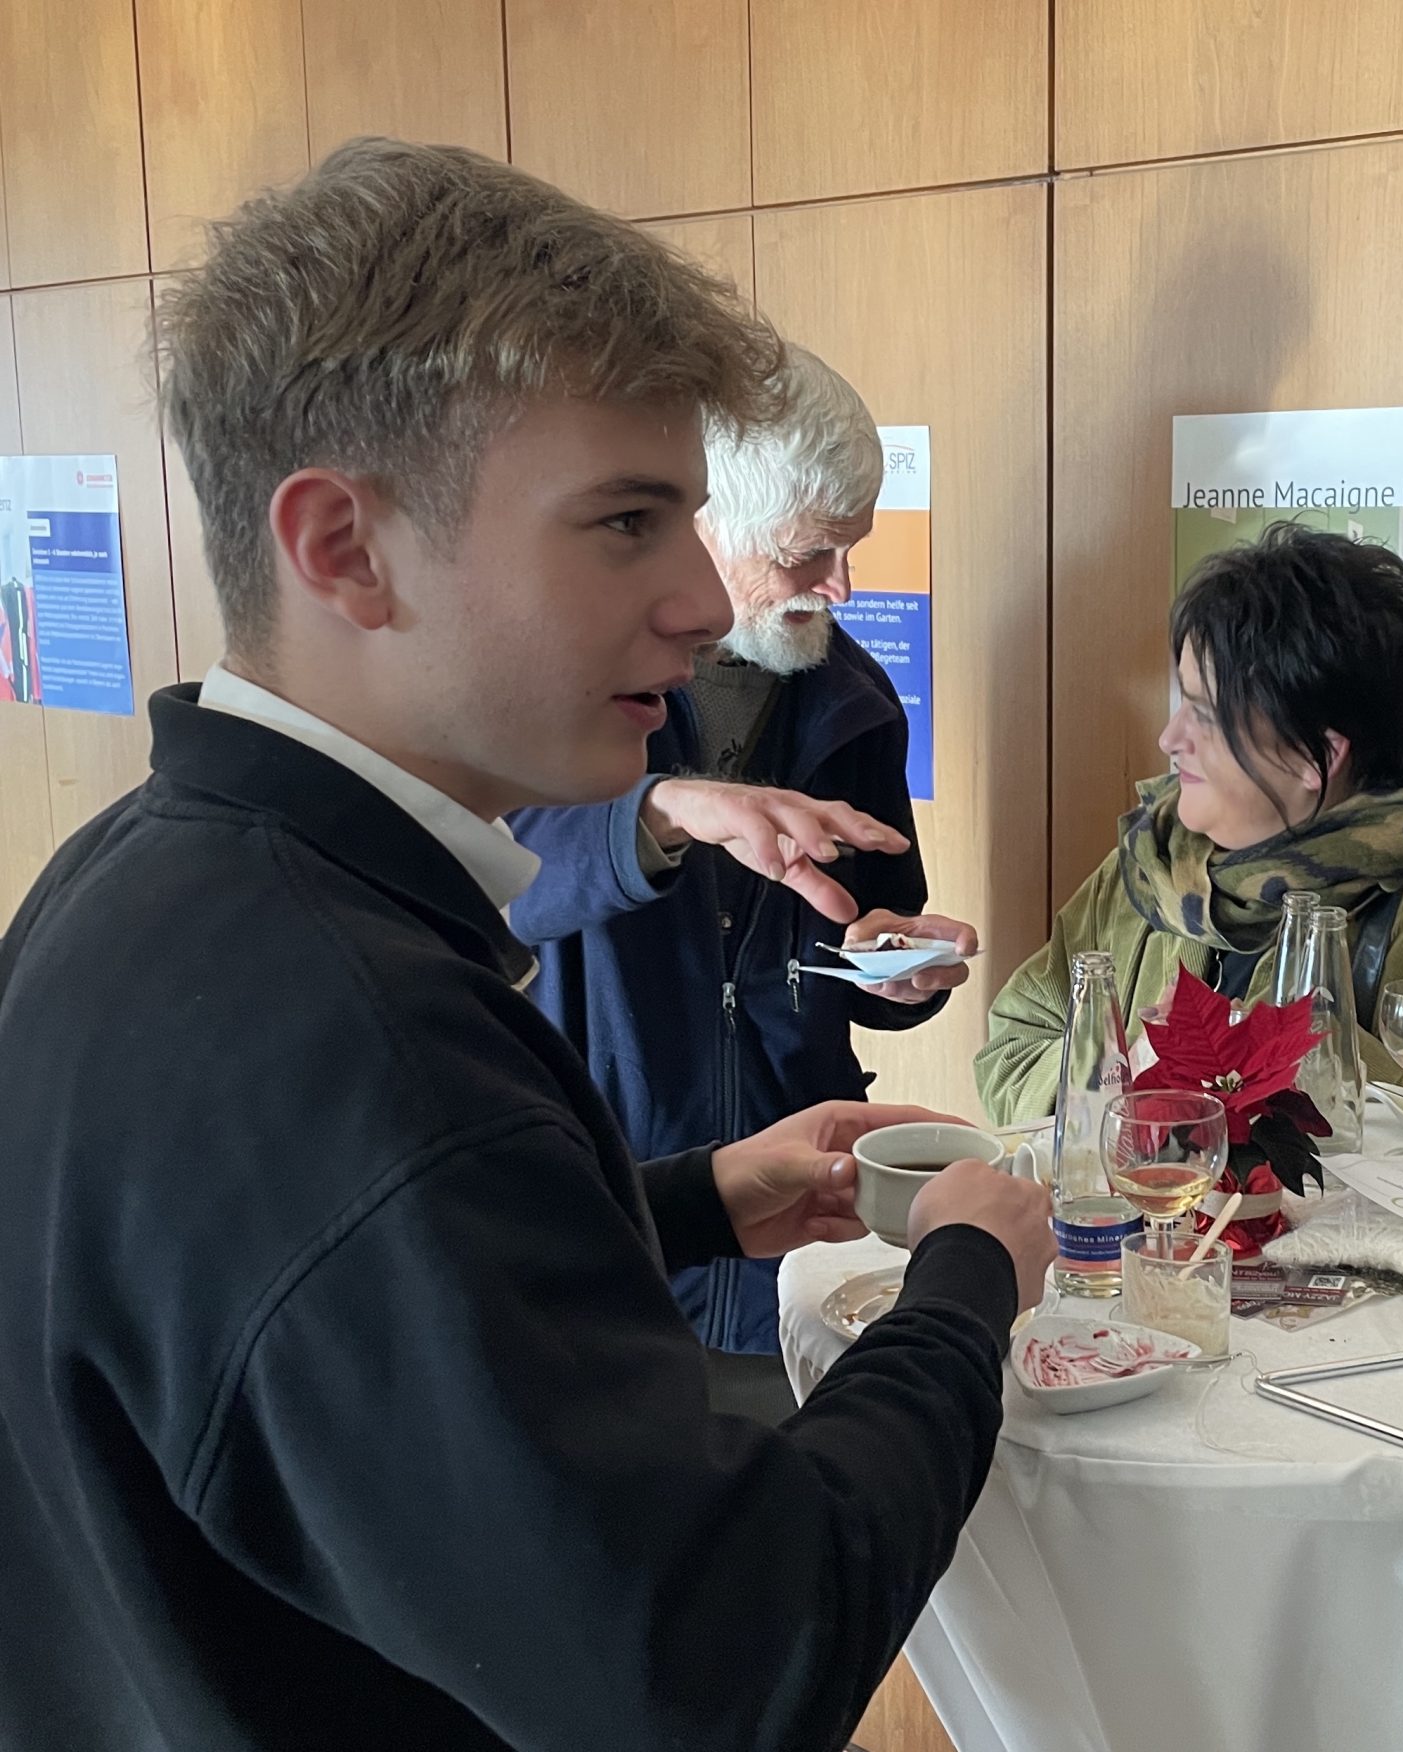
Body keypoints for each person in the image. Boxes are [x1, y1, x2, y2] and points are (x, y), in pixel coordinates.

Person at [0, 138, 1052, 1749]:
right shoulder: (369, 1041)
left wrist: (685, 1200)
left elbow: (338, 1316)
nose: (699, 598)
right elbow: (739, 1664)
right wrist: (965, 1286)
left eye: (690, 519)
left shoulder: (131, 877)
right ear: (344, 547)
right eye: (626, 521)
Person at [510, 342, 974, 1406]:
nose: (841, 586)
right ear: (703, 527)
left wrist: (895, 971)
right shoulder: (575, 681)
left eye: (852, 548)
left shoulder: (854, 698)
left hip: (799, 1215)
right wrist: (662, 812)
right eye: (810, 554)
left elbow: (863, 935)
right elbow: (504, 885)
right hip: (613, 1202)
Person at [977, 522, 1403, 1123]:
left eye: (1207, 715)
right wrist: (1128, 1065)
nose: (1169, 738)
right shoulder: (1156, 862)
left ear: (1317, 758)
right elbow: (1010, 1052)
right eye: (1182, 701)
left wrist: (1301, 1055)